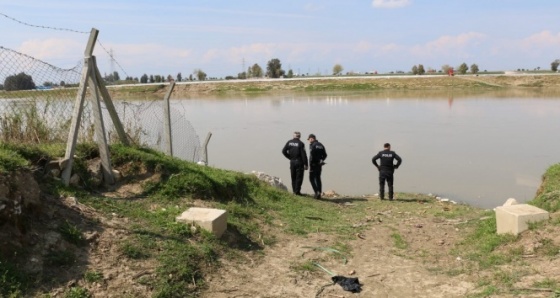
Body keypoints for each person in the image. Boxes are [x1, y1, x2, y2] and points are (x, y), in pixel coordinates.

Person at [282, 131, 308, 195]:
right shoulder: (301, 143)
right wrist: (306, 164)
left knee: (293, 176)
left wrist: (289, 157)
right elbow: (303, 155)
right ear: (300, 136)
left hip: (292, 162)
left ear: (293, 136)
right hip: (299, 162)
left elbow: (283, 151)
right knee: (299, 177)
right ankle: (297, 191)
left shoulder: (289, 142)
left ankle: (294, 191)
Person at [307, 134, 327, 199]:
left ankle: (316, 192)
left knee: (311, 178)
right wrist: (321, 160)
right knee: (318, 178)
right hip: (319, 165)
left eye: (309, 139)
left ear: (312, 138)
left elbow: (312, 155)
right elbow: (325, 155)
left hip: (313, 164)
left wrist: (312, 163)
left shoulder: (313, 145)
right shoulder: (321, 145)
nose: (309, 141)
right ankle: (319, 193)